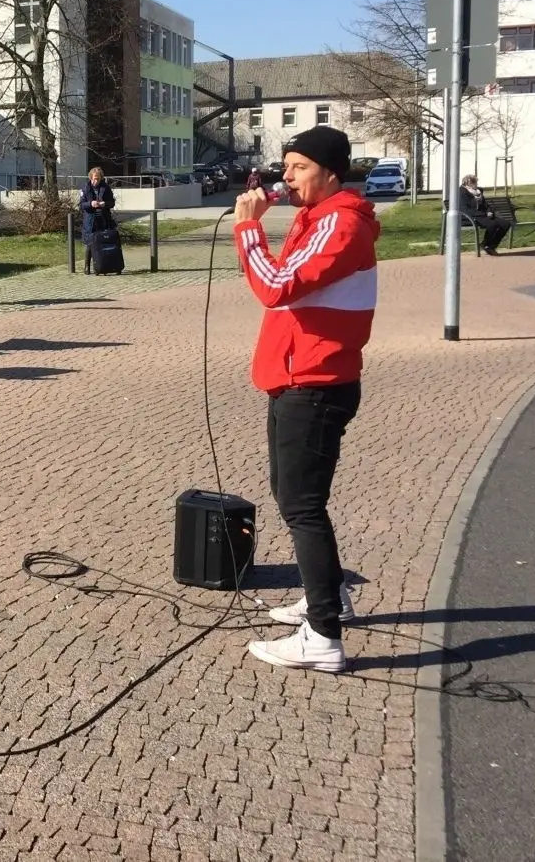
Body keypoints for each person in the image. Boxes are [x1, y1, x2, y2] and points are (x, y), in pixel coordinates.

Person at [233, 125, 379, 674]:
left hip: (315, 383)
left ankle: (323, 637)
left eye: (297, 167)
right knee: (292, 495)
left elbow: (274, 285)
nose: (286, 177)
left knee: (301, 506)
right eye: (285, 166)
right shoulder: (316, 218)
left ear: (331, 172)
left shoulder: (341, 223)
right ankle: (329, 598)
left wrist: (249, 228)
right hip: (295, 376)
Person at [78, 166, 116, 275]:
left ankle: (100, 265)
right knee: (90, 243)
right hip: (90, 220)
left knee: (101, 243)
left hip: (103, 220)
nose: (96, 181)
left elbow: (112, 202)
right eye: (94, 178)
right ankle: (87, 267)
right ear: (90, 177)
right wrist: (90, 204)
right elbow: (81, 205)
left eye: (98, 179)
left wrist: (105, 204)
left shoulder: (105, 188)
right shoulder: (86, 188)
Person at [458, 175, 508, 255]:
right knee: (493, 225)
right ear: (467, 183)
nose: (476, 184)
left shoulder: (478, 191)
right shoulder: (461, 192)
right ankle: (485, 244)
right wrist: (484, 213)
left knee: (505, 224)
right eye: (474, 182)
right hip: (470, 217)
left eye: (476, 182)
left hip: (482, 216)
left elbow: (485, 204)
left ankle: (491, 246)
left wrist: (489, 211)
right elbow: (465, 210)